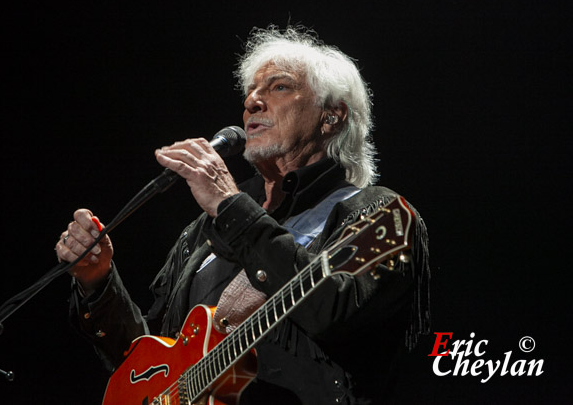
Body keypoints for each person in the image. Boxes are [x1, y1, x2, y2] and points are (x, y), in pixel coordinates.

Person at [55, 25, 430, 404]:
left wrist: (230, 206)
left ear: (331, 117)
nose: (252, 101)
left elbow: (333, 311)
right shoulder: (204, 230)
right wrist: (97, 282)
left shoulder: (375, 214)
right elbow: (152, 364)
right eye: (250, 91)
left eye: (279, 87)